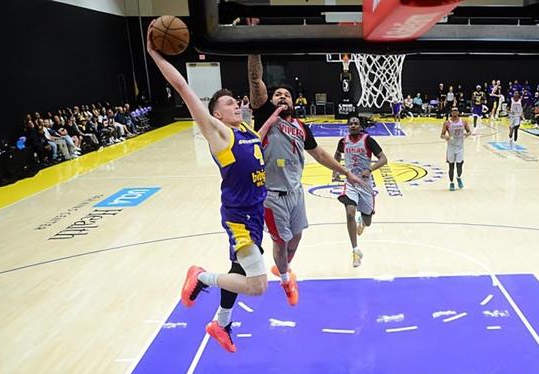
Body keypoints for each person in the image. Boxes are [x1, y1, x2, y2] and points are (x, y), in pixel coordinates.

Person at [146, 22, 283, 353]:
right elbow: (182, 86)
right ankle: (201, 276)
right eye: (229, 103)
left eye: (236, 102)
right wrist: (155, 54)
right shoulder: (219, 133)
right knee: (258, 286)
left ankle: (221, 323)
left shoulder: (246, 130)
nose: (237, 104)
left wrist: (273, 117)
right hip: (240, 218)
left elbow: (256, 140)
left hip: (254, 214)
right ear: (216, 114)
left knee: (237, 270)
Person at [248, 53, 364, 304]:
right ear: (270, 99)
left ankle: (282, 267)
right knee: (281, 241)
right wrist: (254, 49)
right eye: (277, 94)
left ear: (294, 101)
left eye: (286, 95)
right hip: (272, 194)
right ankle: (285, 280)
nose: (282, 97)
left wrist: (346, 172)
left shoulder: (301, 127)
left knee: (296, 237)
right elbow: (255, 80)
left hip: (296, 192)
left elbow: (319, 154)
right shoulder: (266, 115)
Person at [333, 117, 387, 267]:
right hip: (350, 182)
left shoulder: (368, 140)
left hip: (365, 183)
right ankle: (355, 250)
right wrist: (335, 170)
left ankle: (362, 221)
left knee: (368, 221)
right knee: (350, 212)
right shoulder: (343, 141)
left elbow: (383, 159)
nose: (353, 125)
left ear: (360, 126)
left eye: (356, 123)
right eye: (350, 123)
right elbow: (337, 155)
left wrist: (370, 169)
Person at [440, 107, 471, 191]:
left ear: (458, 112)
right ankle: (451, 182)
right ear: (451, 112)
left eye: (456, 111)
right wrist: (446, 137)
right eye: (453, 111)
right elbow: (441, 135)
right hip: (451, 147)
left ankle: (458, 177)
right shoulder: (447, 123)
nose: (454, 112)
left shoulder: (463, 121)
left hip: (460, 147)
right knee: (451, 166)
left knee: (459, 165)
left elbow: (469, 131)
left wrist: (467, 134)